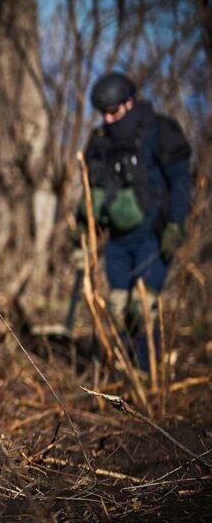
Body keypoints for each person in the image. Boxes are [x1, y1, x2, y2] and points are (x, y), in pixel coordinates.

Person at [76, 72, 193, 371]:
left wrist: (176, 225)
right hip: (117, 242)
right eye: (104, 114)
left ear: (130, 103)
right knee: (118, 308)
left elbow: (181, 181)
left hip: (152, 236)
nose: (109, 120)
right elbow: (91, 191)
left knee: (142, 308)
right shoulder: (100, 142)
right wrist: (82, 234)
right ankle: (122, 373)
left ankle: (147, 374)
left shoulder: (159, 131)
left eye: (114, 112)